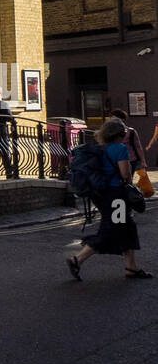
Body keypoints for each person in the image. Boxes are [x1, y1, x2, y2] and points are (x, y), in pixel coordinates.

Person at [67, 118, 151, 280]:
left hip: (102, 194)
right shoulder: (120, 148)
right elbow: (125, 174)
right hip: (116, 195)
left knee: (127, 227)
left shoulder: (100, 148)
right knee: (112, 229)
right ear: (120, 134)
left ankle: (131, 267)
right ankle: (77, 259)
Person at [109, 108, 153, 197]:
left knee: (127, 179)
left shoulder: (131, 131)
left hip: (130, 159)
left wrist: (143, 161)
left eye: (115, 118)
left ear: (122, 119)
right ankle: (120, 198)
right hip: (114, 159)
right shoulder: (109, 131)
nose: (113, 120)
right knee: (116, 180)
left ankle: (127, 198)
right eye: (112, 118)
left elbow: (138, 147)